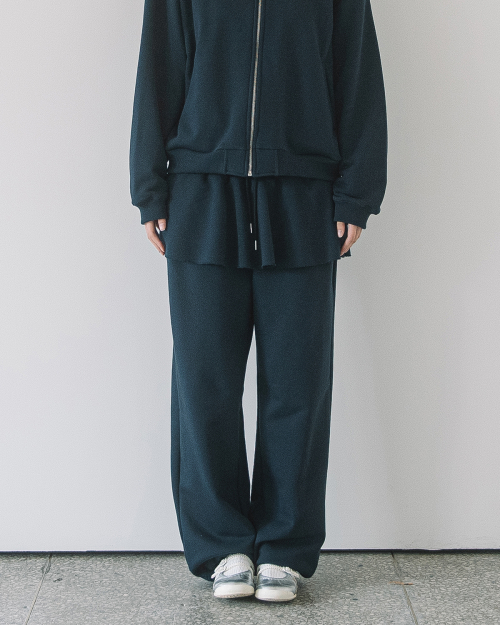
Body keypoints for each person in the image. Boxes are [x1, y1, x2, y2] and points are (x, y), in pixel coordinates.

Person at [129, 0, 387, 603]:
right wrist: (149, 186)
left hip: (303, 193)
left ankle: (285, 548)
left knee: (298, 381)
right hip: (201, 191)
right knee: (205, 381)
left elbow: (357, 76)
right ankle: (223, 546)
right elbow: (158, 68)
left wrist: (357, 193)